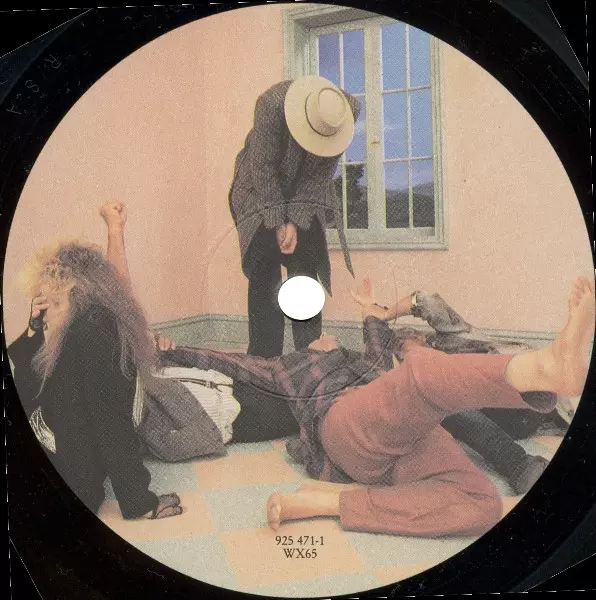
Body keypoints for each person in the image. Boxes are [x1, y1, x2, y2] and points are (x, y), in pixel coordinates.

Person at [158, 274, 594, 536]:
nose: (327, 337)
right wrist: (175, 351)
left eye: (330, 335)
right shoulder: (289, 367)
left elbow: (377, 342)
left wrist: (369, 310)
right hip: (344, 423)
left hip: (404, 441)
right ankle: (544, 370)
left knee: (482, 503)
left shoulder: (361, 360)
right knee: (420, 373)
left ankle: (332, 502)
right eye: (320, 337)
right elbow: (233, 362)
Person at [7, 231, 184, 520]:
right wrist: (34, 328)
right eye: (44, 305)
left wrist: (138, 500)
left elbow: (109, 419)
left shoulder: (91, 333)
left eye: (55, 304)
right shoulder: (91, 326)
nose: (46, 315)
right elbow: (34, 387)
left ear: (82, 297)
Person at [228, 75, 361, 358]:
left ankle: (311, 356)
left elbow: (317, 177)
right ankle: (264, 361)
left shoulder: (343, 112)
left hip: (305, 194)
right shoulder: (271, 104)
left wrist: (295, 220)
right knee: (265, 269)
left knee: (305, 268)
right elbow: (263, 169)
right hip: (257, 190)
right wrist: (277, 221)